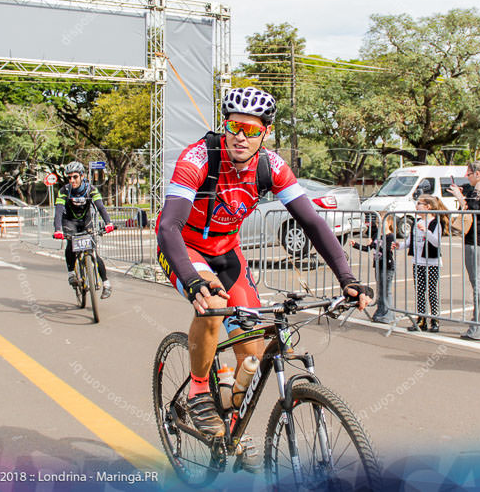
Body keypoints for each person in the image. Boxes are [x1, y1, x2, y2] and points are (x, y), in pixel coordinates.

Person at [155, 86, 373, 440]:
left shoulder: (270, 166)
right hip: (184, 247)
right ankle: (197, 390)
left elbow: (313, 223)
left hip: (228, 253)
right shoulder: (197, 158)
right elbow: (169, 226)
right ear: (224, 125)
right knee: (212, 304)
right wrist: (192, 280)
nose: (241, 137)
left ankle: (228, 415)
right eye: (234, 127)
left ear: (265, 133)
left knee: (251, 356)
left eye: (252, 130)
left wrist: (346, 277)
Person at [448, 161, 480, 341]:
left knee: (479, 285)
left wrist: (460, 198)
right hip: (479, 240)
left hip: (477, 240)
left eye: (468, 174)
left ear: (477, 173)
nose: (467, 177)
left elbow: (474, 211)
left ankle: (479, 328)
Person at [52, 161, 115, 298]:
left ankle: (106, 284)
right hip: (69, 221)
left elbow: (100, 207)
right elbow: (58, 211)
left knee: (93, 253)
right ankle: (71, 273)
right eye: (69, 178)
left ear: (82, 176)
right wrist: (58, 229)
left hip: (86, 221)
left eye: (75, 177)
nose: (72, 180)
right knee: (70, 245)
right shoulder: (64, 191)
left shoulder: (91, 189)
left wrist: (108, 223)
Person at [393, 195, 448, 332]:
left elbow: (436, 242)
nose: (416, 206)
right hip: (418, 262)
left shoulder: (436, 222)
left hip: (432, 262)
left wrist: (426, 231)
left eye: (419, 203)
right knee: (420, 291)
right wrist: (399, 245)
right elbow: (410, 242)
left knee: (432, 291)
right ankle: (421, 320)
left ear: (428, 206)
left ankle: (435, 320)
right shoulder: (416, 222)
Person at [349, 213, 396, 324]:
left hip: (387, 266)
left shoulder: (390, 236)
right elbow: (367, 248)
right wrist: (356, 244)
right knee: (380, 290)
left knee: (386, 291)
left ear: (388, 223)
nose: (379, 225)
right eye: (378, 222)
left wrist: (375, 245)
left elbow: (387, 250)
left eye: (382, 222)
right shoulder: (376, 235)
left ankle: (388, 314)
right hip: (378, 265)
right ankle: (380, 312)